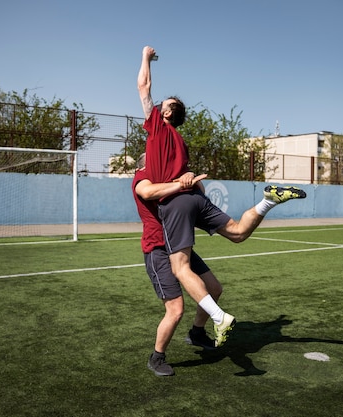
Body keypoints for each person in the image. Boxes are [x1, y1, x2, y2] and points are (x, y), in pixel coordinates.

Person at [137, 45, 306, 351]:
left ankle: (218, 317)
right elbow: (188, 183)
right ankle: (267, 201)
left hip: (176, 202)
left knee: (180, 269)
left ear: (165, 113)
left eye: (164, 103)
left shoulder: (158, 130)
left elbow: (143, 85)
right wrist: (192, 189)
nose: (159, 103)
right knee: (239, 233)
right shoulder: (180, 142)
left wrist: (146, 57)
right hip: (195, 196)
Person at [133, 154, 222, 376]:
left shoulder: (171, 176)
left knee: (214, 289)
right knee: (175, 309)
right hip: (158, 250)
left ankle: (197, 333)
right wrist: (179, 184)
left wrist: (190, 177)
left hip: (181, 247)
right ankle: (157, 357)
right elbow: (147, 192)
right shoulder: (142, 177)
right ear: (146, 164)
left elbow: (199, 192)